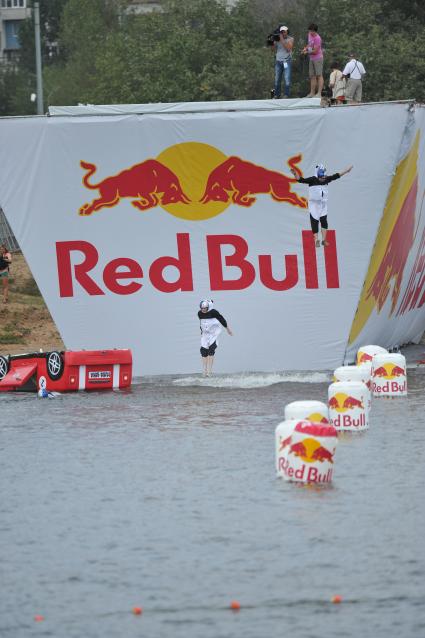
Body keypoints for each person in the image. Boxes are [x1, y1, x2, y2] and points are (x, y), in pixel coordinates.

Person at [290, 164, 353, 247]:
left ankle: (324, 240)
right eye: (321, 178)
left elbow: (337, 175)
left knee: (324, 220)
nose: (323, 179)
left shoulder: (326, 179)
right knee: (314, 221)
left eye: (323, 177)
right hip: (313, 204)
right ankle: (316, 240)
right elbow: (301, 180)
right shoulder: (312, 180)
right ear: (317, 176)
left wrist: (346, 171)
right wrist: (295, 174)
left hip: (322, 204)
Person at [198, 299, 233, 377]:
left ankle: (209, 371)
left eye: (205, 308)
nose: (203, 310)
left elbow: (222, 319)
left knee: (211, 350)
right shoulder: (199, 313)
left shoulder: (214, 312)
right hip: (205, 334)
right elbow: (202, 324)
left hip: (214, 334)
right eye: (202, 308)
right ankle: (204, 370)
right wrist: (202, 332)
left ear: (209, 307)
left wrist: (228, 329)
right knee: (203, 351)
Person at [302, 23, 323, 98]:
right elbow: (309, 44)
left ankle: (319, 93)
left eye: (312, 31)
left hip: (318, 58)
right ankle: (312, 93)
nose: (310, 32)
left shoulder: (318, 38)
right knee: (312, 76)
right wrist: (305, 48)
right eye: (310, 31)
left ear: (315, 31)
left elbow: (315, 51)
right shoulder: (309, 34)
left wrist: (306, 52)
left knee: (319, 75)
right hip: (311, 58)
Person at [274, 26, 294, 99]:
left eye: (284, 31)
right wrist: (271, 42)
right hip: (278, 61)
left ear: (287, 32)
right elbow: (272, 49)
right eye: (281, 32)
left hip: (287, 61)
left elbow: (288, 49)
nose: (283, 33)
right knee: (277, 79)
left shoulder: (290, 39)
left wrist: (282, 39)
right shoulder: (277, 40)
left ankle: (286, 95)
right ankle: (276, 94)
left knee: (287, 78)